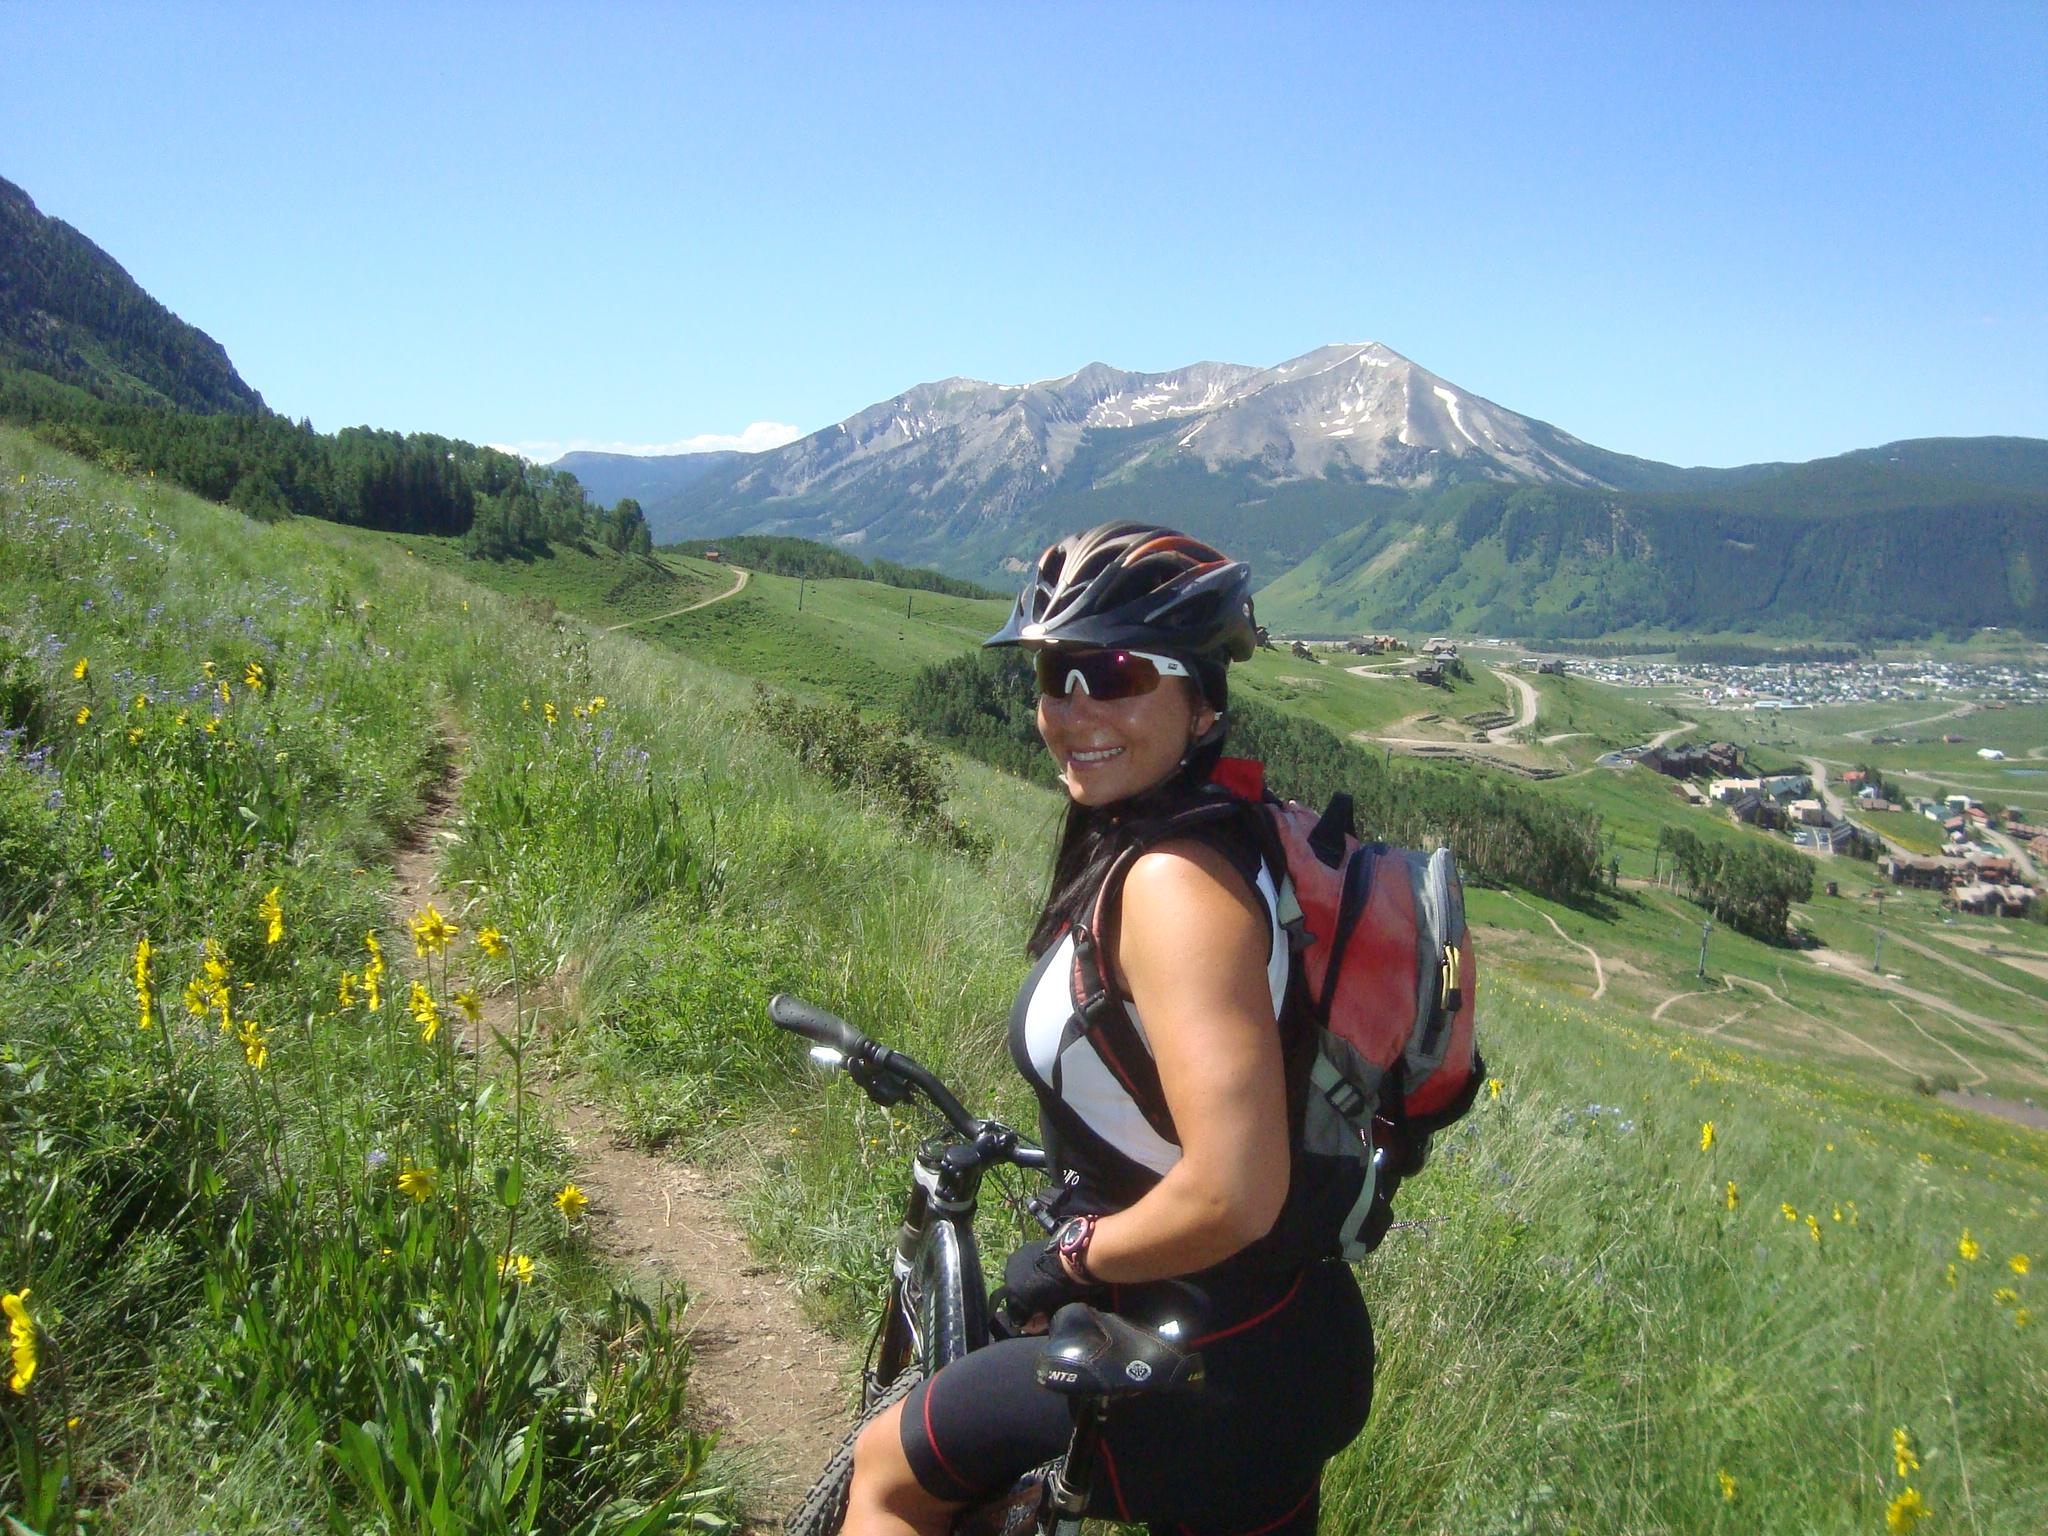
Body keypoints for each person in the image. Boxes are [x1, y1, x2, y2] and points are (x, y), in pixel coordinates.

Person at [843, 523, 1375, 1536]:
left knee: (887, 1475)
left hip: (1206, 1356)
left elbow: (1231, 1190)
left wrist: (1070, 1258)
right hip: (1277, 1349)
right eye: (1056, 672)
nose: (1074, 709)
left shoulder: (1173, 886)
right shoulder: (1215, 833)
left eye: (1117, 671)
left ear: (1204, 700)